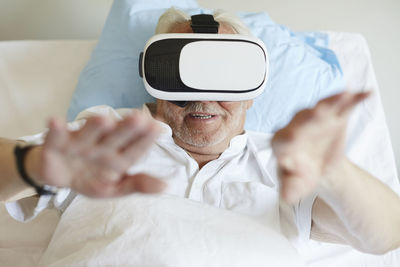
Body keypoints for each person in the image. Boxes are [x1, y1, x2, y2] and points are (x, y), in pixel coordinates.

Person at [1, 7, 400, 255]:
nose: (203, 94)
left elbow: (386, 235)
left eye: (225, 74)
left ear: (253, 93)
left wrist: (333, 168)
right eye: (180, 71)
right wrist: (32, 163)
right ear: (151, 78)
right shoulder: (104, 136)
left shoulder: (286, 165)